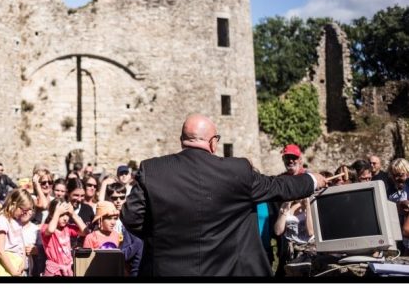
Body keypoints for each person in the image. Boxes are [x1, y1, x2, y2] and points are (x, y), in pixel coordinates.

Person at [121, 114, 325, 277]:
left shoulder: (153, 170)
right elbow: (277, 186)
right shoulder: (237, 170)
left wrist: (162, 229)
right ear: (213, 142)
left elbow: (131, 217)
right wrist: (312, 180)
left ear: (182, 140)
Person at [0, 188, 33, 277]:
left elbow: (21, 242)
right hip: (5, 266)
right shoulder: (2, 220)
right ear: (14, 205)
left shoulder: (17, 221)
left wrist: (22, 262)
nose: (25, 214)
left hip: (16, 264)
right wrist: (13, 271)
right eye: (24, 210)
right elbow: (0, 251)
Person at [40, 198, 88, 276]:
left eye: (67, 215)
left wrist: (73, 214)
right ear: (52, 214)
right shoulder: (45, 227)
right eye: (61, 215)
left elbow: (85, 232)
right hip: (53, 271)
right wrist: (57, 213)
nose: (65, 218)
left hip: (67, 270)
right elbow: (51, 230)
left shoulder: (68, 228)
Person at [105, 182, 143, 276]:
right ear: (108, 198)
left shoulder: (130, 218)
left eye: (122, 197)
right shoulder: (102, 219)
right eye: (114, 198)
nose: (118, 201)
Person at [274, 198, 315, 274]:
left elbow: (310, 232)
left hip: (308, 251)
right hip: (290, 251)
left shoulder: (311, 203)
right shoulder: (286, 205)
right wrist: (285, 211)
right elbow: (278, 231)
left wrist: (307, 207)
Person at [387, 158, 409, 254]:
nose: (397, 178)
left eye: (400, 175)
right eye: (394, 175)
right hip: (397, 232)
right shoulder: (391, 190)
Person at [66, 177, 94, 249]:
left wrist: (73, 215)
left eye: (82, 196)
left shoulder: (88, 209)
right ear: (68, 193)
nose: (79, 199)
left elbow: (90, 234)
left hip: (83, 253)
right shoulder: (60, 209)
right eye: (76, 195)